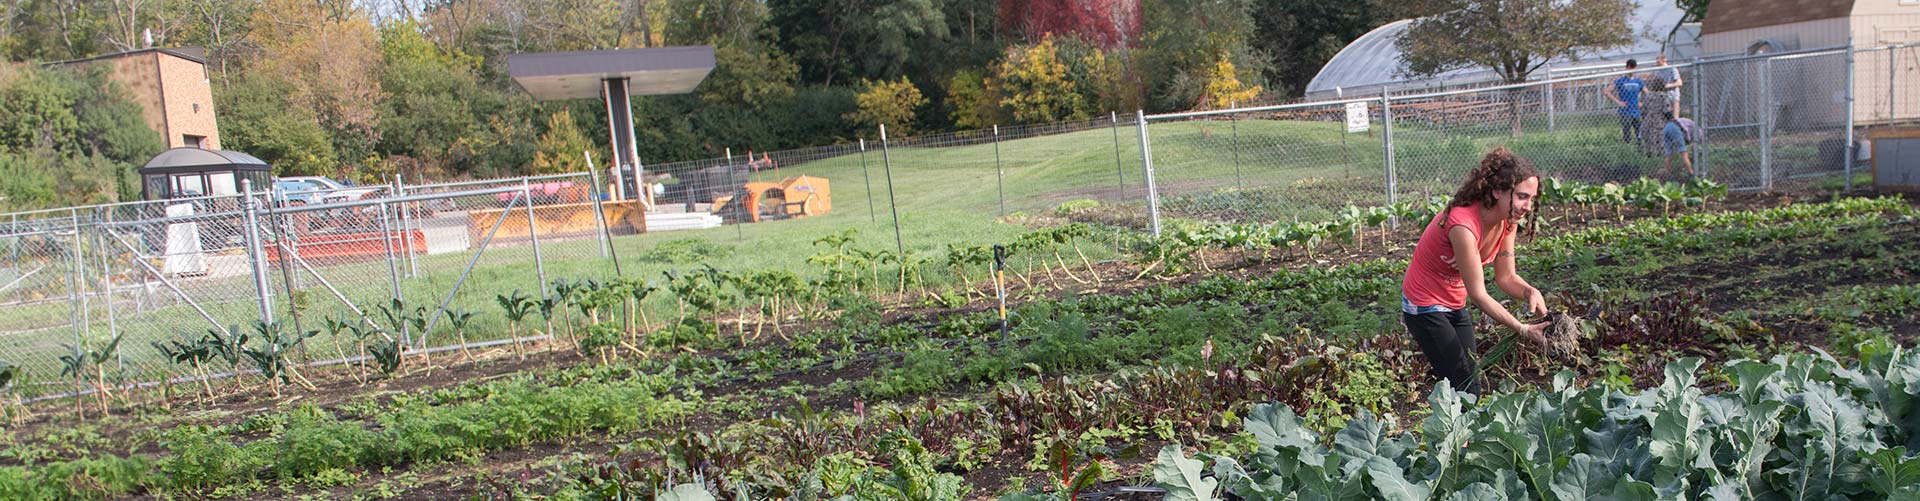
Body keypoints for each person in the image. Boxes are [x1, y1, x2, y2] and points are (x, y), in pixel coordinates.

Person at [1401, 147, 1549, 394]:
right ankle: (1448, 430)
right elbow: (1479, 294)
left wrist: (1529, 291)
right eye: (1522, 196)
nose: (1527, 206)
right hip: (1424, 306)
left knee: (1468, 385)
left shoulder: (1507, 223)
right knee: (1465, 385)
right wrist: (1522, 329)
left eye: (1531, 198)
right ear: (1497, 191)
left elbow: (1506, 277)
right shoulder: (1463, 226)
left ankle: (1454, 429)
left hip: (1454, 303)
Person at [1606, 60, 1646, 145]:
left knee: (1639, 131)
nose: (1632, 70)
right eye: (1630, 68)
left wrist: (1643, 103)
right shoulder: (1621, 80)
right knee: (1627, 132)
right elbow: (1607, 91)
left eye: (1634, 68)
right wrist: (1618, 102)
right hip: (1625, 112)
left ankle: (1640, 147)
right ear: (1627, 68)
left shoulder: (1638, 81)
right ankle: (1627, 147)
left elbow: (1648, 93)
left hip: (1636, 111)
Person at [1662, 111, 1694, 179]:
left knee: (1669, 155)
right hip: (1675, 128)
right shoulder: (1693, 124)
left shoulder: (1669, 124)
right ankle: (1692, 175)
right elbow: (1688, 134)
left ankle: (1668, 175)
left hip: (1666, 129)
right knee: (1684, 154)